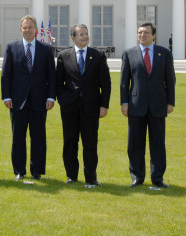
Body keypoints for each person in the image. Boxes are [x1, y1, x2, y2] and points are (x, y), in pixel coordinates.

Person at [121, 23, 175, 188]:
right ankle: (137, 177)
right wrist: (124, 102)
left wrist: (170, 102)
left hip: (158, 105)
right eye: (140, 32)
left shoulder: (164, 53)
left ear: (154, 35)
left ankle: (157, 178)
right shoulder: (129, 53)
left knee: (158, 144)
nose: (142, 35)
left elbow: (170, 80)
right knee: (135, 143)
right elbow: (124, 82)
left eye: (146, 32)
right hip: (136, 105)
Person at [1, 15, 56, 181]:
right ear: (20, 29)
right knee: (18, 137)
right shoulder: (11, 48)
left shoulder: (45, 49)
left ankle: (37, 170)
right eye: (24, 28)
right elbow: (5, 75)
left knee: (38, 137)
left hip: (40, 100)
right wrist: (6, 97)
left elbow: (51, 76)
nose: (27, 31)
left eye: (30, 27)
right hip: (17, 101)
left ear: (36, 30)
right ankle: (19, 170)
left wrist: (51, 97)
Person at [55, 24, 111, 186]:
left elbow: (105, 83)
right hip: (70, 108)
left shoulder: (98, 55)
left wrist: (104, 105)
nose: (85, 36)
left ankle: (91, 178)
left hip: (91, 107)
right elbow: (58, 82)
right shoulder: (64, 56)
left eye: (86, 34)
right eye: (81, 34)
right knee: (70, 142)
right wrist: (63, 100)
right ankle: (71, 176)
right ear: (73, 37)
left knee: (90, 143)